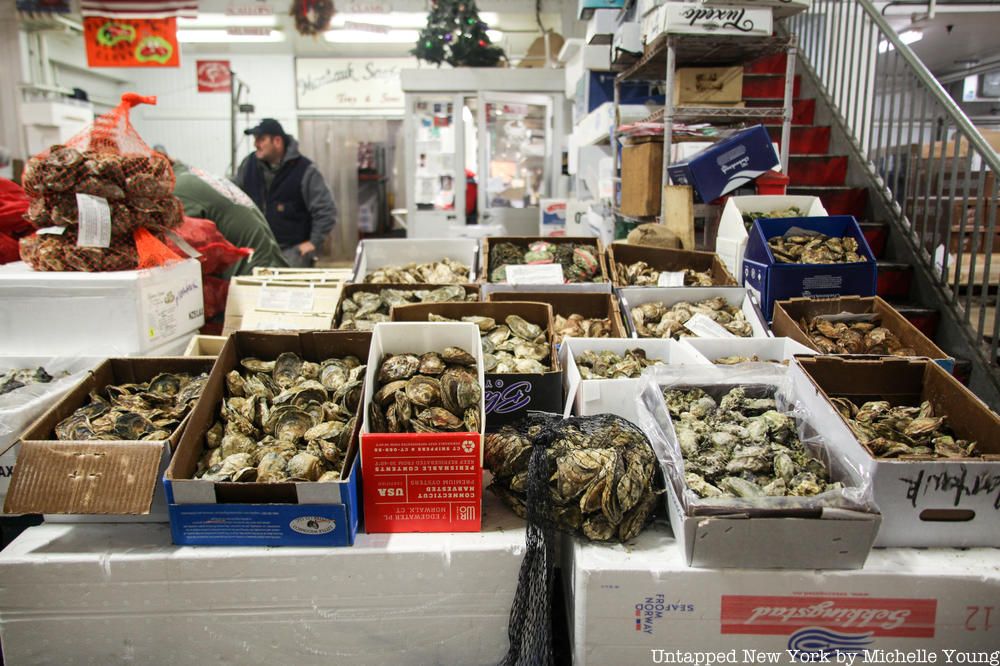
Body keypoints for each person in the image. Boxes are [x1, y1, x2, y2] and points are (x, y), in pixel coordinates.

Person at [233, 119, 336, 268]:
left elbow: (326, 209)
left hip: (291, 251)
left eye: (261, 139)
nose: (256, 144)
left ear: (277, 141)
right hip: (255, 248)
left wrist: (313, 242)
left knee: (287, 286)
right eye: (255, 140)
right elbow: (233, 195)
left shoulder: (305, 170)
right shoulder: (249, 165)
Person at [167, 155, 289, 277]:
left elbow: (180, 246)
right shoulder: (195, 175)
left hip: (255, 275)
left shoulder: (178, 187)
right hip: (271, 264)